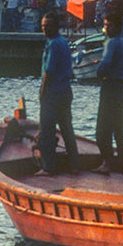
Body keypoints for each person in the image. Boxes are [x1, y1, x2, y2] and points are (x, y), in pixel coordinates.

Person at [37, 11, 79, 175]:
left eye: (48, 26)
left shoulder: (54, 44)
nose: (45, 29)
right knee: (67, 128)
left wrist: (42, 93)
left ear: (56, 26)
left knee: (47, 131)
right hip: (65, 91)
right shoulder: (63, 42)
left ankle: (48, 167)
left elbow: (49, 71)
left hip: (53, 93)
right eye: (42, 26)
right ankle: (75, 164)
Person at [94, 9, 123, 174]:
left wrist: (99, 71)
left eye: (109, 25)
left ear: (117, 27)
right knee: (120, 128)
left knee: (102, 129)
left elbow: (105, 63)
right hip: (121, 88)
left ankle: (106, 163)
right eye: (105, 25)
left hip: (110, 88)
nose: (106, 29)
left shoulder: (111, 43)